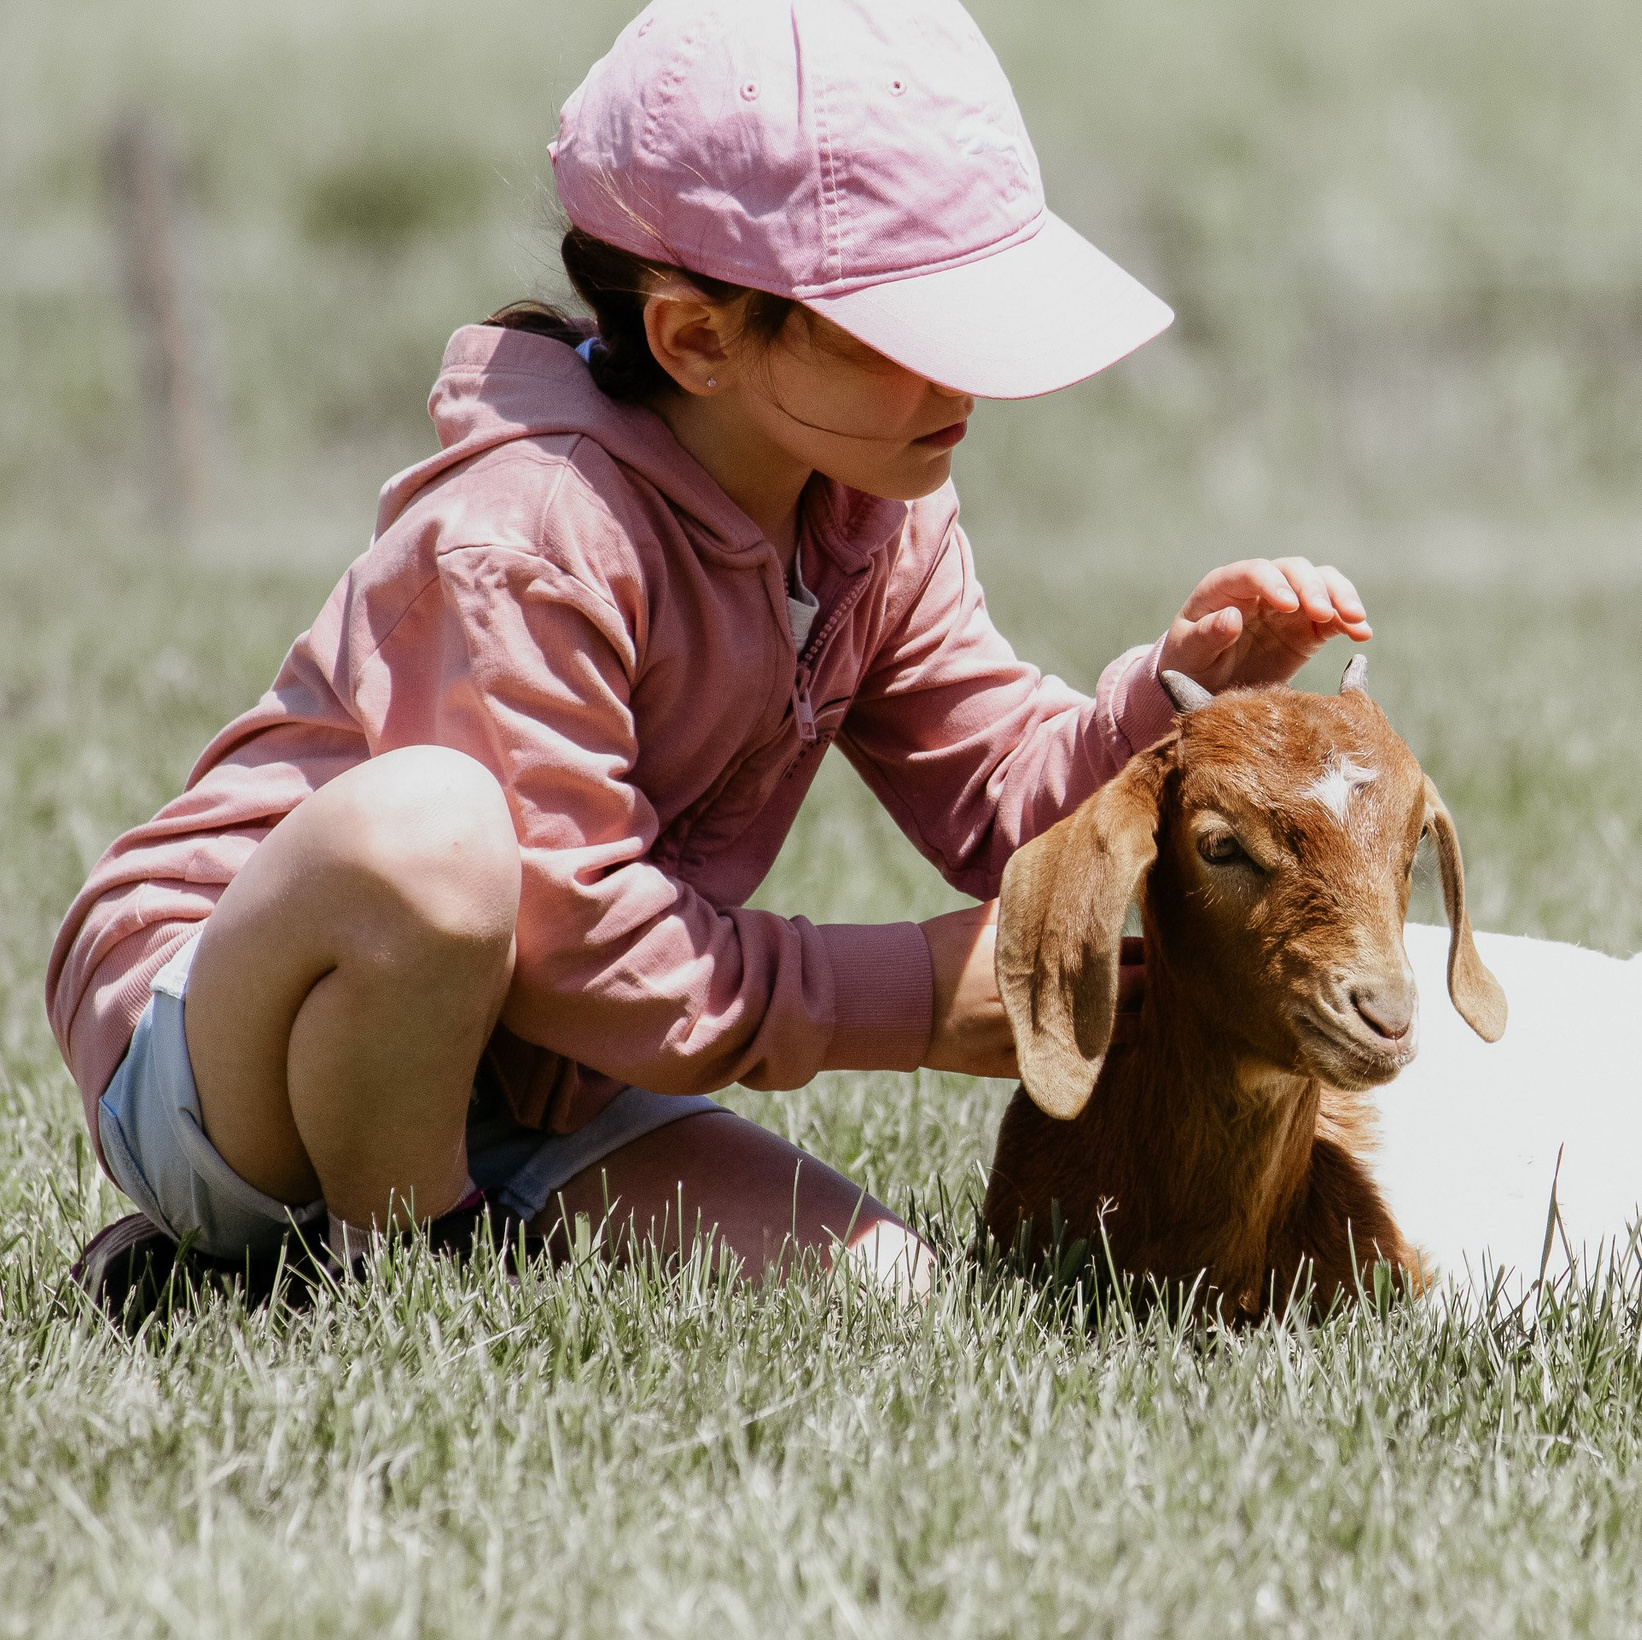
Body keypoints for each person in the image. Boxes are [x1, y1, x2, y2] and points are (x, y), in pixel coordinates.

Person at [49, 0, 1370, 1307]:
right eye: (909, 329)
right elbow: (575, 942)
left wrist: (1179, 698)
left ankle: (255, 1273)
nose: (966, 381)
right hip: (247, 1053)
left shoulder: (874, 509)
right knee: (433, 841)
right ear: (694, 337)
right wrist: (909, 998)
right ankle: (379, 1269)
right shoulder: (534, 531)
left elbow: (993, 801)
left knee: (897, 1303)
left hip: (535, 1070)